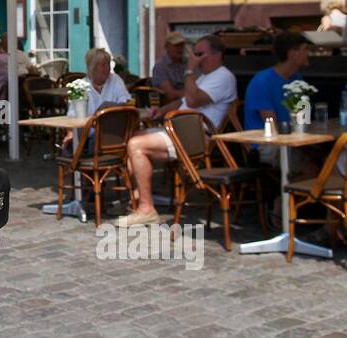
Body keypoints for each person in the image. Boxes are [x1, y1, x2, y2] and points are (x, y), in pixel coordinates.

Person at [121, 35, 237, 226]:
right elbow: (183, 101)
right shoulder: (206, 76)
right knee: (130, 138)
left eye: (199, 54)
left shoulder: (223, 76)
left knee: (136, 145)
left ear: (216, 55)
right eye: (195, 54)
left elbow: (192, 100)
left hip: (196, 137)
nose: (195, 57)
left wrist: (190, 69)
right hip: (182, 131)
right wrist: (162, 110)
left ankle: (146, 208)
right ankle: (138, 196)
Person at [244, 31, 311, 165]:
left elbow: (302, 118)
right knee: (311, 161)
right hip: (266, 144)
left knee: (328, 152)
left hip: (293, 139)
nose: (309, 53)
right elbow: (271, 125)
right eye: (305, 49)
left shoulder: (297, 80)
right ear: (293, 54)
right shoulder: (262, 81)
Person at [151, 31, 189, 103]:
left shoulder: (189, 63)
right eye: (176, 45)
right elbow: (171, 95)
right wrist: (194, 94)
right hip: (170, 107)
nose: (180, 48)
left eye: (182, 45)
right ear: (166, 47)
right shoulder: (160, 67)